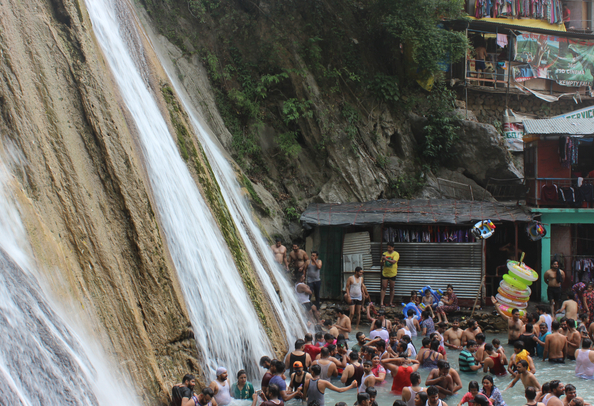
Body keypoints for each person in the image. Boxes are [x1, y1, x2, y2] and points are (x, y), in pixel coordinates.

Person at [380, 242, 399, 308]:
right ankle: (381, 302)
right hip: (385, 273)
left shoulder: (396, 254)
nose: (389, 249)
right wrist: (382, 260)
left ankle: (391, 302)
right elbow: (381, 264)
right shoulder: (384, 254)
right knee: (384, 287)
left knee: (392, 287)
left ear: (393, 247)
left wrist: (386, 259)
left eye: (390, 247)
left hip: (393, 273)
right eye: (388, 247)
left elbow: (394, 261)